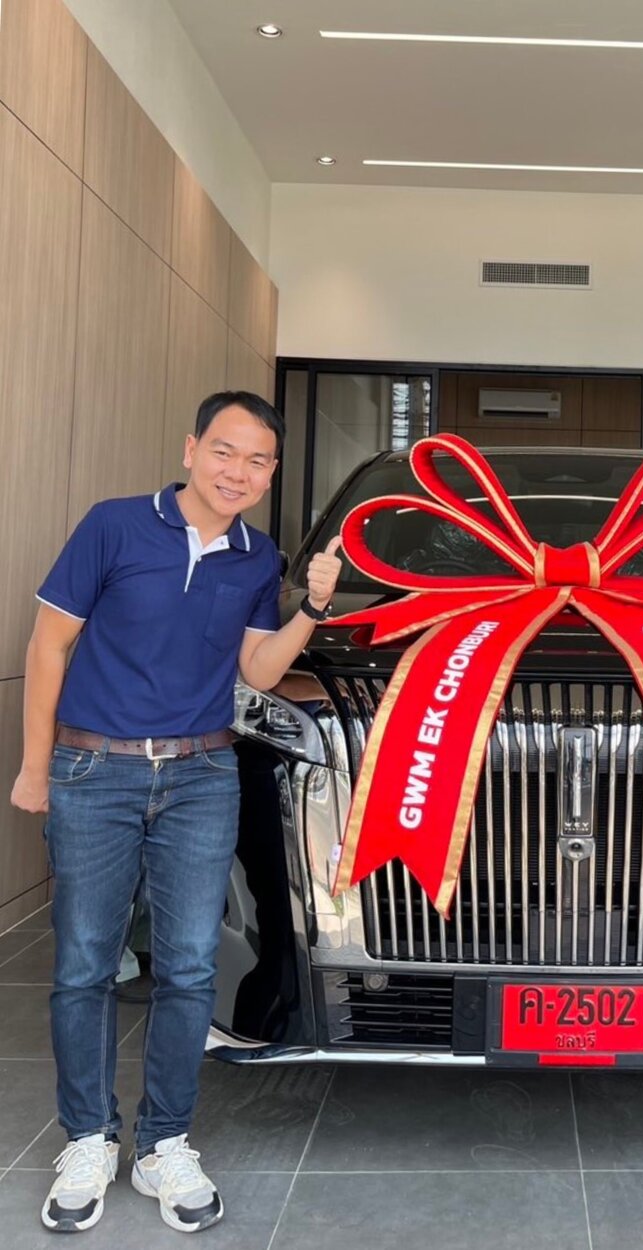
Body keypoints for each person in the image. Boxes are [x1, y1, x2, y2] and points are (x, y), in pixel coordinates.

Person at [9, 392, 343, 1235]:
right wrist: (36, 768)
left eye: (257, 461)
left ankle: (164, 1143)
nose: (238, 471)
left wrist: (312, 607)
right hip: (95, 769)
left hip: (201, 775)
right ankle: (88, 1139)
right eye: (225, 451)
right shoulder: (115, 525)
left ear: (270, 474)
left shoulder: (257, 557)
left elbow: (258, 671)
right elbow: (49, 643)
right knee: (85, 964)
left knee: (191, 967)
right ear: (192, 449)